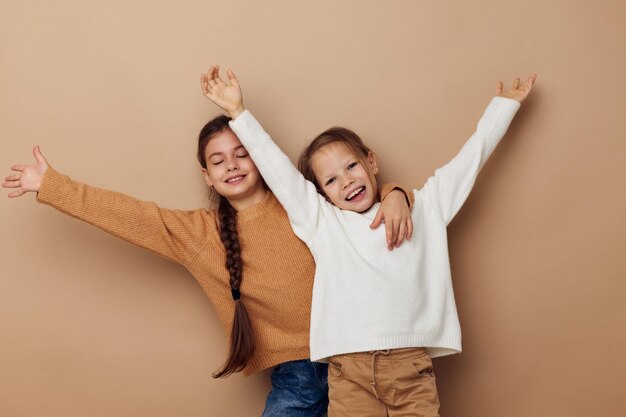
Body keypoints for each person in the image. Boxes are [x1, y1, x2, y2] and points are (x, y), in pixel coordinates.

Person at [2, 110, 415, 417]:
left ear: (260, 158)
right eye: (219, 161)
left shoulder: (302, 201)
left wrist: (397, 192)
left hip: (360, 358)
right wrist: (52, 187)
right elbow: (130, 215)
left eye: (242, 154)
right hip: (297, 377)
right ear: (207, 176)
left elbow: (359, 200)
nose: (232, 165)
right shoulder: (199, 234)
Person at [201, 66, 536, 417]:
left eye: (351, 167)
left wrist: (503, 108)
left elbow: (470, 160)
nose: (346, 182)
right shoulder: (323, 224)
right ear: (321, 194)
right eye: (331, 180)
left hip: (411, 372)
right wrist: (238, 113)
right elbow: (279, 172)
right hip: (349, 374)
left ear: (371, 162)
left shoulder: (425, 209)